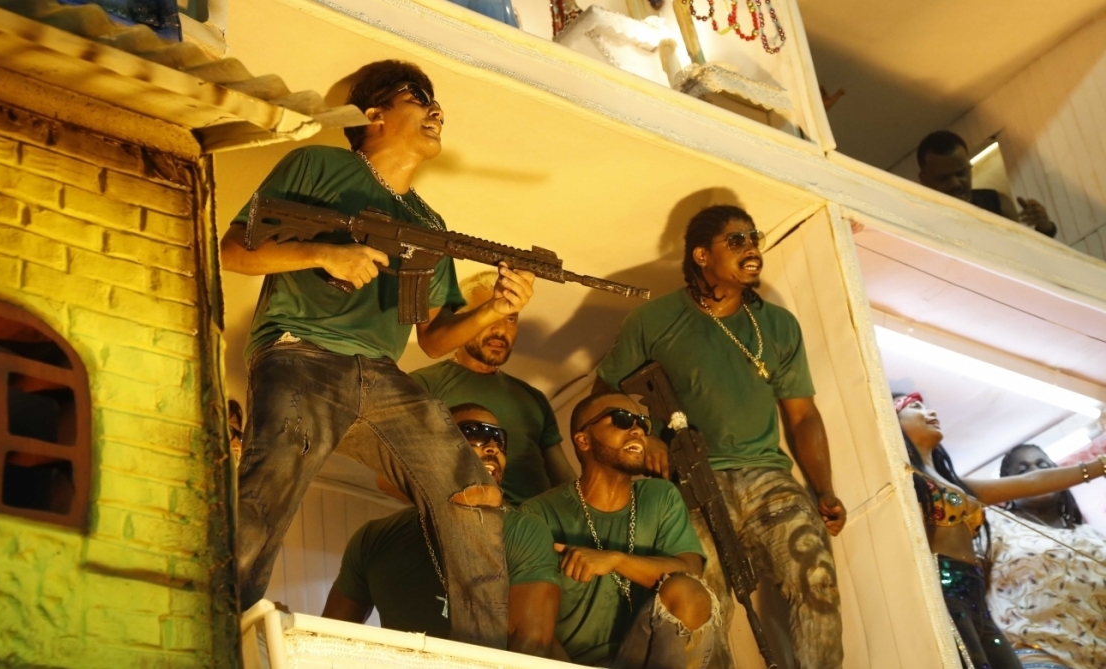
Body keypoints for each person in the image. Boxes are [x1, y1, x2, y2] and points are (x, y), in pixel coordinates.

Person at [219, 59, 537, 648]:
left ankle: (481, 654)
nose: (436, 110)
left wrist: (494, 308)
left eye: (437, 101)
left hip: (383, 375)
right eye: (418, 96)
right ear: (373, 116)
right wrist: (325, 254)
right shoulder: (321, 165)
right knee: (269, 489)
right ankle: (210, 634)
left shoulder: (429, 223)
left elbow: (434, 337)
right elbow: (233, 251)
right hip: (302, 350)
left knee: (472, 491)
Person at [596, 205, 845, 669]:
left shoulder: (778, 325)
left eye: (754, 238)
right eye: (736, 241)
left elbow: (803, 416)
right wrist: (645, 439)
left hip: (768, 478)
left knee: (818, 581)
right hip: (689, 483)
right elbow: (603, 402)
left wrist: (825, 488)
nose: (752, 249)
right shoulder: (652, 320)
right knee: (705, 607)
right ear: (701, 255)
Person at [322, 403, 562, 656]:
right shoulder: (372, 539)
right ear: (433, 447)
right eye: (474, 433)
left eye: (499, 438)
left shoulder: (523, 530)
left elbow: (531, 647)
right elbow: (329, 641)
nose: (493, 447)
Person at [894, 393, 1106, 669]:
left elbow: (1032, 482)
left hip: (974, 597)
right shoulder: (905, 479)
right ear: (891, 421)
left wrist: (1099, 466)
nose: (930, 412)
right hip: (944, 592)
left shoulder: (959, 487)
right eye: (916, 407)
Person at [521, 392, 718, 669]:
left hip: (647, 656)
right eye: (622, 419)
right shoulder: (538, 514)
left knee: (688, 590)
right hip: (570, 663)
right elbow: (530, 626)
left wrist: (615, 560)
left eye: (642, 423)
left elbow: (691, 573)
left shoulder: (659, 497)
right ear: (584, 440)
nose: (637, 430)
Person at [411, 271, 577, 505]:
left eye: (511, 318)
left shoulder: (532, 397)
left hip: (540, 524)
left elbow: (565, 480)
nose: (500, 329)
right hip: (473, 522)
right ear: (460, 320)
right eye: (490, 314)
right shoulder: (423, 385)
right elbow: (390, 478)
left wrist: (578, 519)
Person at [985, 443, 1106, 669]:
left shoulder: (1089, 534)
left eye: (1043, 466)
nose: (1036, 474)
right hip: (1036, 657)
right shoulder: (992, 523)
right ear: (1007, 485)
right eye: (1023, 471)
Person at [916, 130, 1057, 237]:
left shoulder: (997, 203)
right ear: (924, 179)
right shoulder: (918, 221)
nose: (955, 184)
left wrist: (1044, 228)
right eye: (943, 178)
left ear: (970, 168)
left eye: (961, 174)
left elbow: (1023, 253)